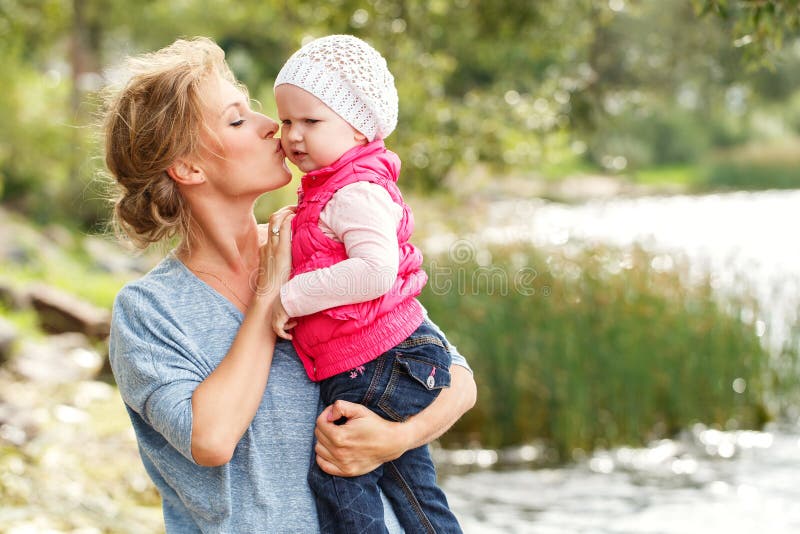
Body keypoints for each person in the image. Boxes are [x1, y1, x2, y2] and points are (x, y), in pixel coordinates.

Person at [103, 36, 476, 533]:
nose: (271, 128)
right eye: (237, 119)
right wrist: (270, 295)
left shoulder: (320, 244)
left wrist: (397, 438)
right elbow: (211, 438)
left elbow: (456, 375)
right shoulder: (149, 311)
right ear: (188, 167)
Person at [272, 35, 463, 533]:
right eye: (287, 121)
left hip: (378, 360)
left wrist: (288, 296)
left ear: (359, 128)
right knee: (415, 490)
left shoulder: (355, 192)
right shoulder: (330, 189)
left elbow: (374, 271)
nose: (293, 135)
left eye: (311, 121)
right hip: (376, 357)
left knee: (339, 475)